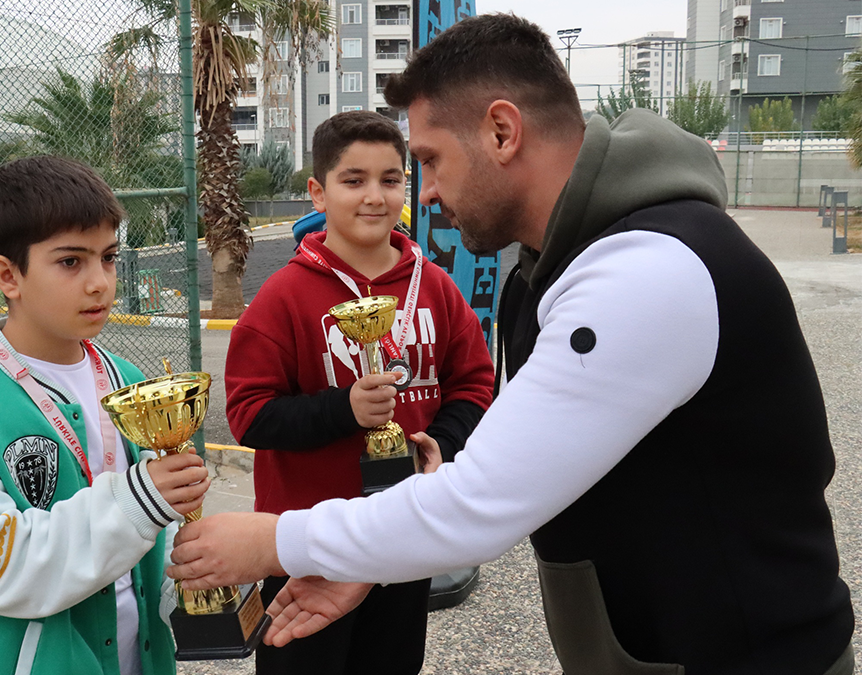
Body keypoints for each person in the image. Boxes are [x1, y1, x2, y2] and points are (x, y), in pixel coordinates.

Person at [167, 14, 856, 675]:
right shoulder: (560, 267)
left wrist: (269, 540)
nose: (424, 193)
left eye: (430, 161)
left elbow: (478, 504)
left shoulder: (647, 270)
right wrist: (370, 555)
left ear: (502, 131)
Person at [223, 110, 494, 675]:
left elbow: (474, 382)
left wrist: (441, 442)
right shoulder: (284, 297)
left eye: (391, 179)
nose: (375, 196)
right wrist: (341, 409)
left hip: (402, 530)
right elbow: (249, 416)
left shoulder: (435, 287)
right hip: (307, 543)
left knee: (394, 663)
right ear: (318, 193)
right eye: (354, 180)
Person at [0, 156, 209, 675]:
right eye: (71, 262)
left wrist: (189, 579)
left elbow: (148, 534)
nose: (100, 282)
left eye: (109, 257)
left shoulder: (124, 378)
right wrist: (141, 500)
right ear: (9, 276)